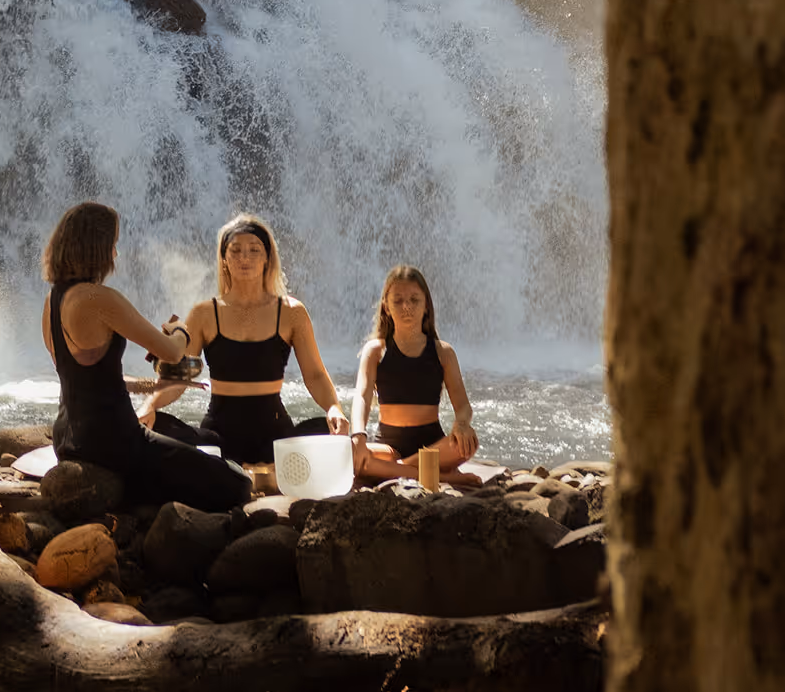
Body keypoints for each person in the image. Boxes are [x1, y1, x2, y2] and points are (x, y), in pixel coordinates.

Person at [41, 202, 250, 512]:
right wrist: (180, 329)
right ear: (95, 248)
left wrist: (151, 387)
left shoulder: (52, 301)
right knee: (238, 484)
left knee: (193, 444)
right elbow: (173, 351)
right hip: (116, 442)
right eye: (112, 245)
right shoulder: (99, 299)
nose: (115, 254)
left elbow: (83, 378)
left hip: (69, 439)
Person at [143, 213, 350, 465]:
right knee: (157, 425)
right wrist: (150, 405)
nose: (244, 258)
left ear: (267, 258)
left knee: (330, 430)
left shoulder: (292, 312)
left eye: (254, 250)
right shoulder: (204, 314)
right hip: (219, 436)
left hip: (276, 437)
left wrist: (333, 408)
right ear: (224, 259)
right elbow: (178, 379)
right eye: (236, 250)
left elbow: (315, 375)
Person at [349, 265, 479, 482]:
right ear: (386, 307)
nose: (406, 306)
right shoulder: (375, 351)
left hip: (433, 446)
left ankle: (395, 470)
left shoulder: (443, 352)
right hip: (388, 447)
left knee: (468, 442)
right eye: (397, 301)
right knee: (349, 452)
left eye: (414, 300)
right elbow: (362, 396)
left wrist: (462, 424)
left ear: (426, 305)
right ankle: (444, 478)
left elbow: (463, 405)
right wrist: (358, 435)